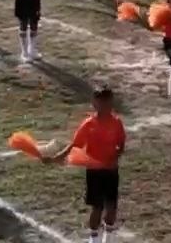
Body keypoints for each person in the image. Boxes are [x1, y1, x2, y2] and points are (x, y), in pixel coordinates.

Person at [47, 86, 125, 243]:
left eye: (107, 103)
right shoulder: (89, 124)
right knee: (97, 207)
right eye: (101, 103)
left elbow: (121, 143)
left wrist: (115, 156)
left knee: (111, 206)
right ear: (95, 103)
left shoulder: (116, 122)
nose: (105, 107)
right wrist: (57, 157)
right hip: (94, 172)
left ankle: (108, 237)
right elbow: (75, 145)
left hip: (111, 171)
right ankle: (94, 238)